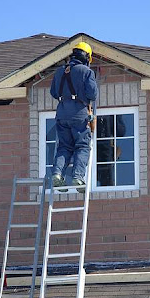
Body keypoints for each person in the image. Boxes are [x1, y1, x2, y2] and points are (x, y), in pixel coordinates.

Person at [50, 42, 98, 192]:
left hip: (62, 113)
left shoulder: (60, 71)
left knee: (64, 147)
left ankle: (57, 174)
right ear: (87, 57)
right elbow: (92, 95)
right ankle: (78, 177)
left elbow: (53, 93)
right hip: (79, 115)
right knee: (82, 146)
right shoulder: (86, 72)